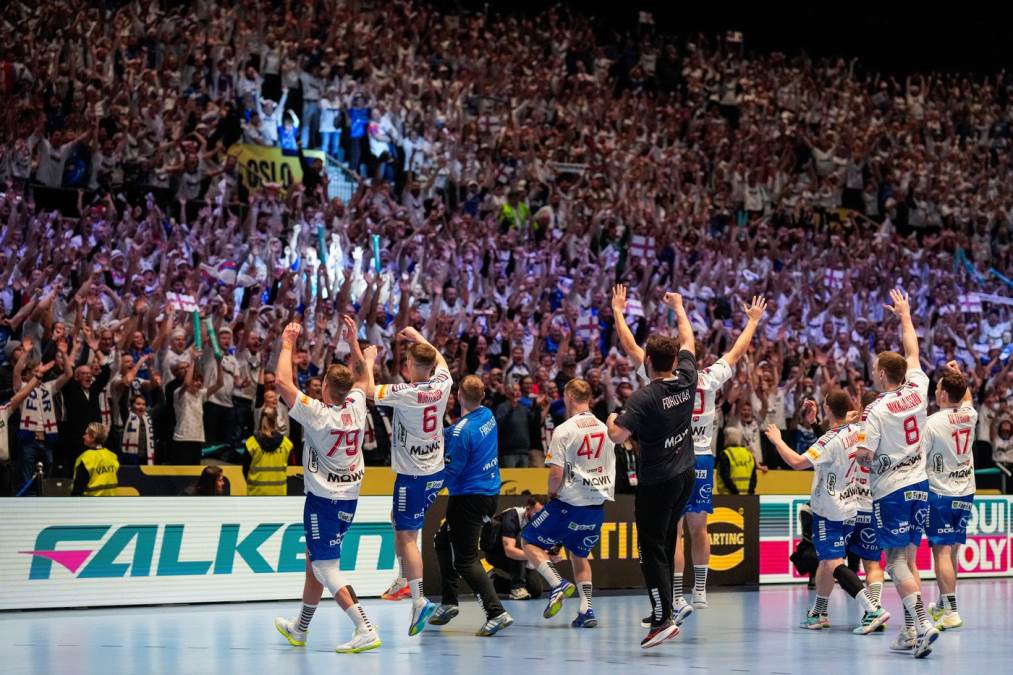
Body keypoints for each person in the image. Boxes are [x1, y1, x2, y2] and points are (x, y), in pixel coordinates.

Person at [272, 317, 381, 653]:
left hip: (323, 501)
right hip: (349, 499)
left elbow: (281, 381)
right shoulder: (357, 405)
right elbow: (362, 377)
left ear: (324, 388)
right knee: (314, 565)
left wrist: (287, 343)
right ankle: (300, 628)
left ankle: (364, 627)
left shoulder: (318, 413)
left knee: (325, 567)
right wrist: (354, 343)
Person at [607, 291, 697, 649]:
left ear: (647, 362)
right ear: (674, 360)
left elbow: (617, 435)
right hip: (685, 475)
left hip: (657, 481)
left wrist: (612, 417)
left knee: (650, 549)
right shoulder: (687, 378)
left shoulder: (643, 397)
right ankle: (667, 609)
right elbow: (688, 339)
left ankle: (662, 620)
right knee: (666, 541)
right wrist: (679, 308)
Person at [856, 288, 940, 658]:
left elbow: (864, 458)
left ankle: (922, 624)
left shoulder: (876, 410)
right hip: (920, 486)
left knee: (894, 563)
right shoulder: (919, 388)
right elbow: (913, 351)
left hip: (891, 491)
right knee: (909, 559)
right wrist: (905, 315)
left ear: (880, 374)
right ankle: (910, 632)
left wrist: (860, 444)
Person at [764, 392, 890, 634]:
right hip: (851, 506)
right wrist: (815, 423)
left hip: (830, 510)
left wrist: (777, 440)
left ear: (828, 409)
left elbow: (797, 462)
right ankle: (819, 613)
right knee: (828, 560)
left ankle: (872, 609)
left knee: (833, 562)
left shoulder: (832, 438)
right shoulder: (858, 430)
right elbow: (837, 438)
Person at [370, 326, 452, 636]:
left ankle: (418, 599)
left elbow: (368, 390)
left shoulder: (405, 392)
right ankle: (404, 579)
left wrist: (368, 359)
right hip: (435, 471)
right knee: (399, 520)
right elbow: (440, 360)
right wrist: (419, 338)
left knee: (407, 536)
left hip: (412, 476)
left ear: (409, 365)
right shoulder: (443, 383)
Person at [522, 379, 615, 629]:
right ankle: (587, 610)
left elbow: (555, 474)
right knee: (579, 555)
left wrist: (550, 493)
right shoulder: (605, 428)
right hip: (596, 507)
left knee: (528, 540)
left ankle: (557, 584)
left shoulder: (564, 430)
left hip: (569, 504)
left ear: (570, 397)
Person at [430, 375, 514, 636]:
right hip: (488, 494)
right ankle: (449, 602)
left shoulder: (462, 432)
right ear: (483, 395)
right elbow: (458, 432)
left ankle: (496, 612)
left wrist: (428, 492)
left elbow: (451, 471)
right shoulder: (487, 415)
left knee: (465, 560)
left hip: (468, 498)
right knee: (442, 541)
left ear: (458, 396)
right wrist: (440, 432)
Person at [924, 361, 977, 630]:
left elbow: (919, 459)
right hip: (966, 492)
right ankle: (945, 604)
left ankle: (952, 612)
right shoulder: (970, 414)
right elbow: (967, 398)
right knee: (952, 549)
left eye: (937, 388)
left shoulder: (931, 423)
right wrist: (958, 375)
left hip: (941, 494)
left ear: (943, 394)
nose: (935, 391)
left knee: (942, 552)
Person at [482, 496, 547, 599]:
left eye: (542, 515)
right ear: (528, 508)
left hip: (522, 556)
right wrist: (534, 555)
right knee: (520, 540)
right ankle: (517, 588)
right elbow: (510, 550)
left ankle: (493, 582)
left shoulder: (540, 524)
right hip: (497, 553)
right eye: (536, 513)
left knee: (535, 589)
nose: (539, 517)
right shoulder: (512, 516)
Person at [243, 407, 293, 496]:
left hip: (256, 493)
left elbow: (245, 470)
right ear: (275, 419)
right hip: (279, 494)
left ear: (260, 418)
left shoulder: (251, 443)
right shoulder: (286, 444)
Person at [71, 423, 120, 496]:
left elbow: (78, 488)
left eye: (86, 434)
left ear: (93, 437)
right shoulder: (112, 456)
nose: (83, 436)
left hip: (91, 501)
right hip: (111, 500)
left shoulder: (86, 458)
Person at [714, 427, 757, 495]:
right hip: (747, 496)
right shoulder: (749, 454)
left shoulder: (726, 454)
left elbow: (725, 476)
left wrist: (735, 492)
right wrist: (750, 493)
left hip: (728, 496)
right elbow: (753, 478)